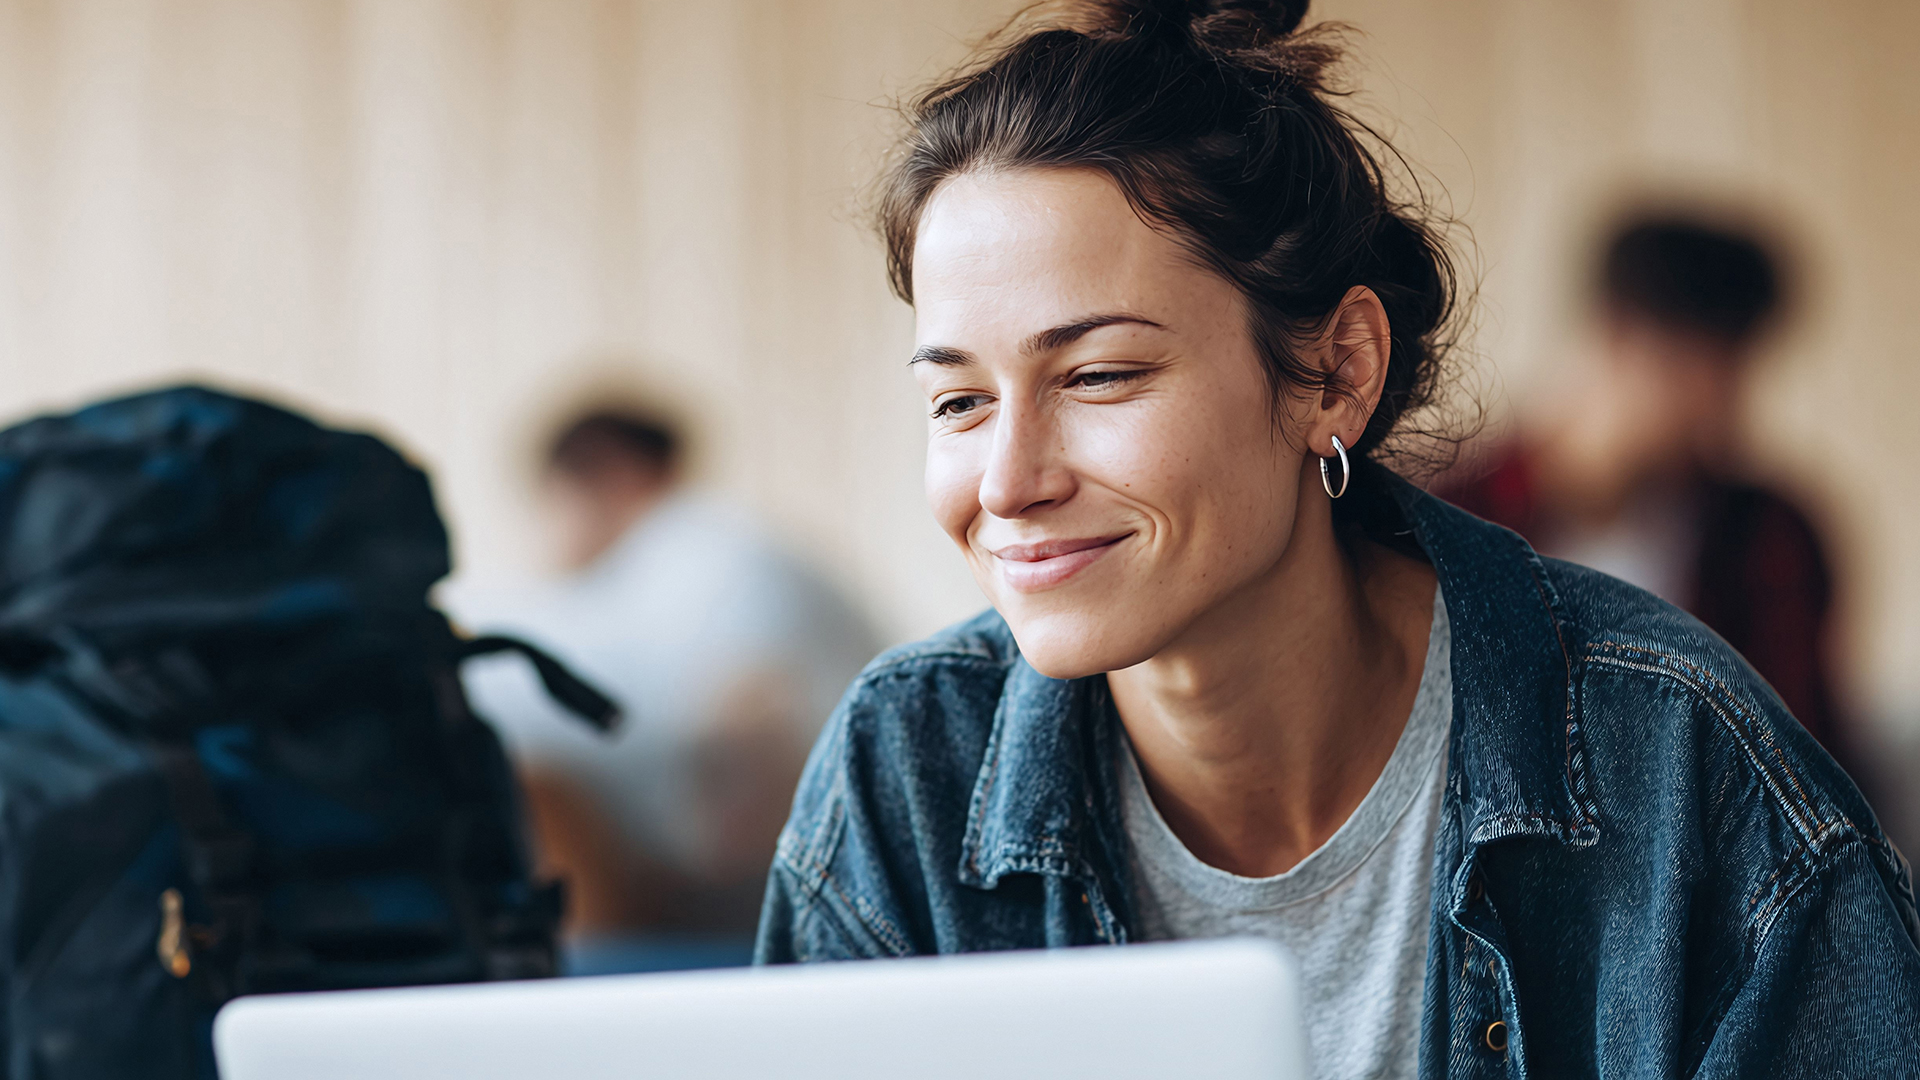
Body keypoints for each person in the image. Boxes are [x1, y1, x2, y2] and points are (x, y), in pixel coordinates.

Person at [754, 1, 1920, 1076]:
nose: (1006, 482)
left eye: (1100, 375)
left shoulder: (1686, 774)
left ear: (1334, 372)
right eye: (958, 401)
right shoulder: (904, 772)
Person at [458, 407, 879, 973]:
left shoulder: (701, 548)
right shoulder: (708, 555)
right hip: (799, 860)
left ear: (607, 479)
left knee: (529, 780)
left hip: (784, 879)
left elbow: (749, 713)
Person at [1441, 214, 1854, 771]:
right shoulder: (1458, 511)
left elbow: (1808, 763)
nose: (1721, 405)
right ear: (1615, 336)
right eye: (1695, 369)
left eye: (1737, 369)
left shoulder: (1770, 536)